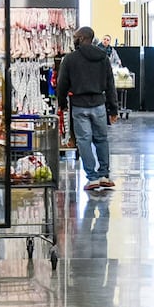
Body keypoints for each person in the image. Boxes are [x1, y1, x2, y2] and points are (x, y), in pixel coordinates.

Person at [56, 26, 118, 192]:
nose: (74, 39)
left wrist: (61, 103)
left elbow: (62, 85)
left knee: (84, 141)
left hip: (79, 105)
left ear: (82, 38)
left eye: (76, 37)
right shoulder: (103, 58)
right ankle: (104, 175)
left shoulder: (70, 59)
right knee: (102, 139)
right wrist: (113, 110)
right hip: (99, 104)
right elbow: (110, 85)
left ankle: (92, 178)